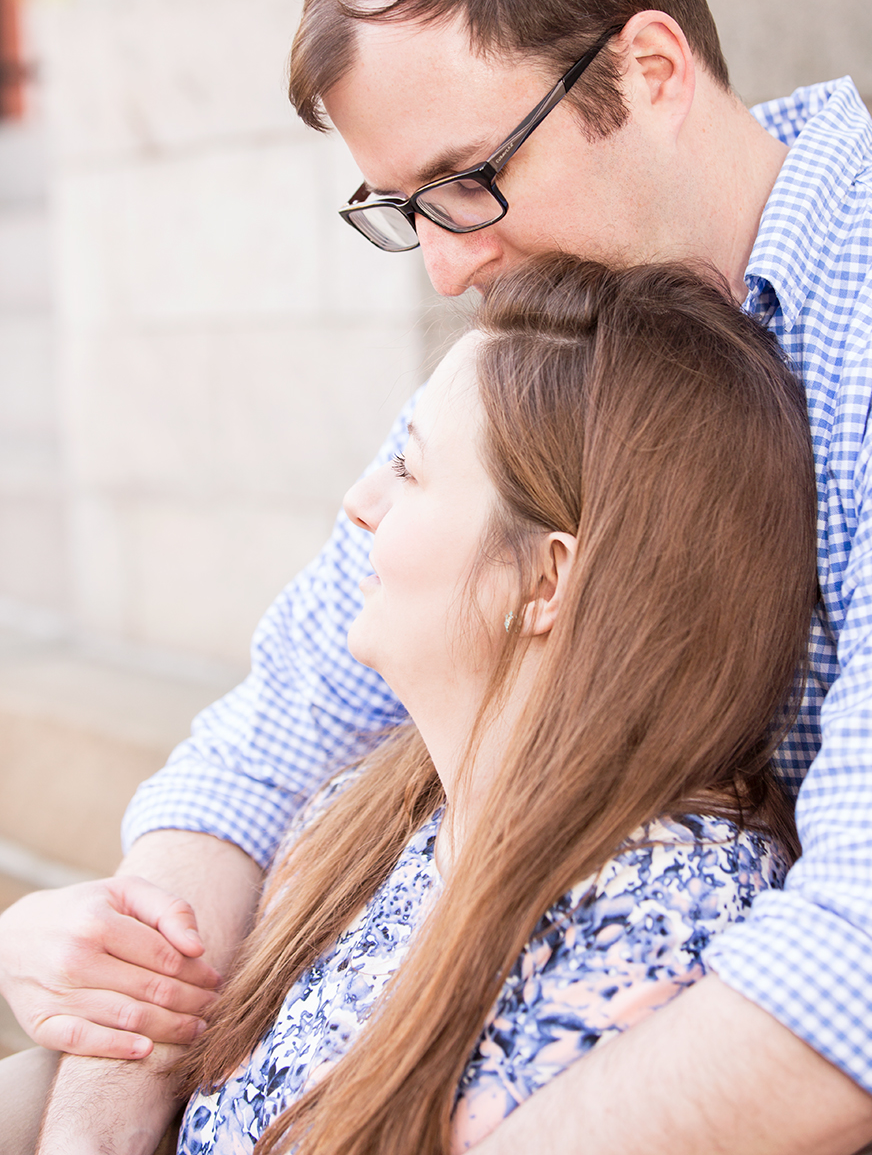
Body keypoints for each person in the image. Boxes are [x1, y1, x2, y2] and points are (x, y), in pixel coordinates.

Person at [7, 0, 872, 1151]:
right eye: (401, 210)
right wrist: (102, 1059)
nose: (446, 266)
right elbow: (264, 750)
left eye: (468, 180)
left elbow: (868, 967)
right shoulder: (556, 332)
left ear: (648, 67)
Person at [174, 255, 815, 1155]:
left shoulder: (660, 925)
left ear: (546, 577)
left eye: (407, 468)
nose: (359, 504)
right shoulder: (363, 820)